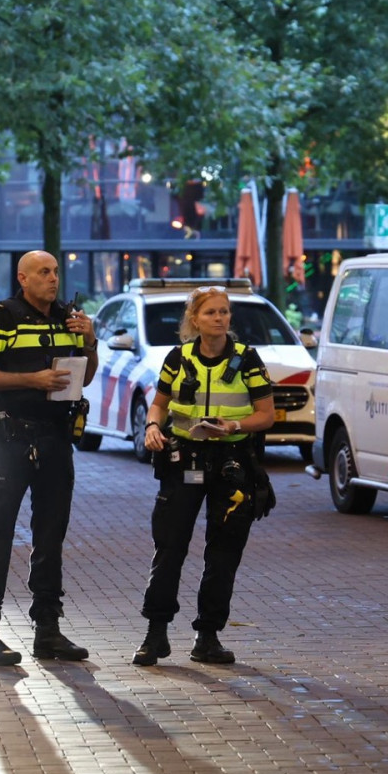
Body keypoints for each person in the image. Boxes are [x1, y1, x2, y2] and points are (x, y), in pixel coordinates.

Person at [0, 250, 99, 666]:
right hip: (10, 439)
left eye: (56, 271)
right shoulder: (3, 316)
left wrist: (90, 341)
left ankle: (48, 630)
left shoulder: (67, 317)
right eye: (44, 272)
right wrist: (30, 379)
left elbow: (84, 376)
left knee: (51, 536)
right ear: (23, 278)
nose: (53, 278)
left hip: (56, 438)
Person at [132, 286, 276, 667]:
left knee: (224, 552)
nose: (220, 318)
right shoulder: (177, 358)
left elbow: (267, 415)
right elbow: (159, 403)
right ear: (195, 320)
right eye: (212, 313)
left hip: (231, 462)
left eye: (225, 312)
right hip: (184, 460)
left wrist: (233, 426)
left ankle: (207, 637)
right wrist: (151, 426)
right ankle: (155, 634)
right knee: (169, 547)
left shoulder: (247, 359)